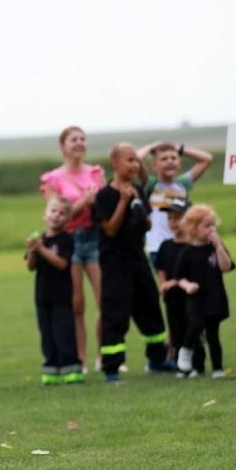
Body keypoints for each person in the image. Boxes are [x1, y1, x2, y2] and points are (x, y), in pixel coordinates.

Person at [93, 143, 173, 382]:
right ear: (115, 163)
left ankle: (157, 359)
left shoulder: (138, 189)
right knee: (115, 314)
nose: (135, 165)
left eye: (137, 160)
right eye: (130, 160)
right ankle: (112, 368)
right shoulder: (104, 195)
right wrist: (123, 201)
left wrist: (139, 209)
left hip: (138, 259)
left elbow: (147, 224)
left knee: (150, 307)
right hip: (115, 265)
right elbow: (110, 229)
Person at [39, 125, 104, 370]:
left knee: (105, 301)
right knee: (77, 305)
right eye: (73, 139)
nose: (79, 143)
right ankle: (80, 359)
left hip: (94, 237)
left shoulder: (96, 173)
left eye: (82, 139)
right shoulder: (52, 179)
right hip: (69, 241)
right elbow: (56, 217)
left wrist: (97, 203)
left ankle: (104, 356)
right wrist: (84, 201)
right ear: (63, 146)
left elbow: (105, 208)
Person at [25, 196, 83, 385]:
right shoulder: (40, 239)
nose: (56, 215)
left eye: (62, 213)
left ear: (68, 220)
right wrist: (32, 250)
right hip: (42, 298)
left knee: (64, 334)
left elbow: (62, 264)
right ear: (45, 214)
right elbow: (31, 266)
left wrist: (41, 249)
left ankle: (72, 369)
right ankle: (51, 370)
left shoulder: (66, 240)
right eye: (53, 211)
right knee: (47, 335)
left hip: (61, 298)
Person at [174, 205, 235, 380]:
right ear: (193, 229)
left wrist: (219, 246)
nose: (211, 229)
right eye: (207, 226)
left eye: (213, 225)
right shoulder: (187, 252)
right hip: (195, 299)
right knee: (195, 324)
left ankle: (217, 368)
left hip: (214, 298)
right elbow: (179, 277)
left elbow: (226, 267)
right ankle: (186, 352)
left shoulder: (215, 248)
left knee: (213, 335)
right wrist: (187, 286)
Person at [136, 139, 213, 268]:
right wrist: (152, 147)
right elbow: (137, 159)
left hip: (183, 245)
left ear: (179, 163)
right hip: (158, 248)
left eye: (173, 158)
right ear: (154, 165)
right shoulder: (151, 185)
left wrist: (180, 149)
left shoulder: (182, 184)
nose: (170, 161)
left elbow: (207, 159)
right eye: (164, 159)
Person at [154, 199, 194, 368]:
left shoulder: (193, 247)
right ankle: (176, 358)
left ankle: (193, 360)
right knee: (174, 327)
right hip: (172, 298)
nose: (173, 222)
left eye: (178, 218)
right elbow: (160, 267)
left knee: (191, 327)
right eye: (170, 218)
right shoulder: (166, 246)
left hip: (190, 296)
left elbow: (193, 272)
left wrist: (174, 282)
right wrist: (163, 283)